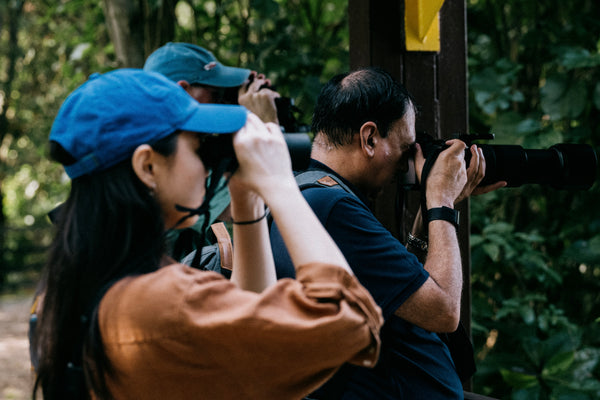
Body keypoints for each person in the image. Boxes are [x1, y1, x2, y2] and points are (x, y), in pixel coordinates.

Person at [31, 69, 383, 400]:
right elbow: (349, 320)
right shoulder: (164, 301)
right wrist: (280, 184)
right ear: (148, 166)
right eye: (199, 146)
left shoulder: (89, 282)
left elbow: (247, 324)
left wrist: (247, 204)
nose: (208, 162)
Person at [270, 67, 506, 399]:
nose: (404, 163)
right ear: (369, 138)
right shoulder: (334, 208)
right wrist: (441, 200)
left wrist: (428, 215)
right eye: (405, 147)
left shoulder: (306, 193)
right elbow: (443, 311)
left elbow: (397, 292)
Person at [143, 42, 281, 262]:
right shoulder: (165, 162)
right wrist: (266, 128)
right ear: (182, 91)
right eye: (216, 93)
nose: (222, 103)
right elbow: (269, 205)